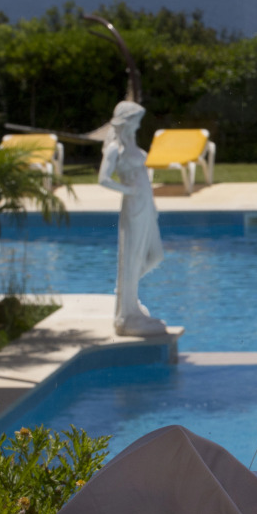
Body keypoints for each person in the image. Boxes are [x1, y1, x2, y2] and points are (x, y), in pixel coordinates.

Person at [98, 101, 167, 337]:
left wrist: (152, 206)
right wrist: (128, 190)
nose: (138, 124)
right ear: (126, 121)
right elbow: (103, 179)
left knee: (155, 256)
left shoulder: (133, 145)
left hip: (146, 206)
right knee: (133, 257)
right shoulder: (114, 148)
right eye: (136, 120)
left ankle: (125, 293)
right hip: (134, 206)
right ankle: (127, 311)